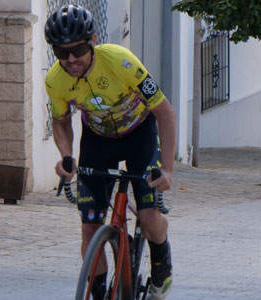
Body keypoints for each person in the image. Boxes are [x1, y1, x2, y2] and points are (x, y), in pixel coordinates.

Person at [44, 4, 176, 300]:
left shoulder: (121, 61)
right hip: (98, 141)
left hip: (140, 135)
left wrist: (167, 169)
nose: (71, 59)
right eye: (61, 52)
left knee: (149, 216)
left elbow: (165, 113)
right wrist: (66, 156)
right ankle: (101, 293)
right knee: (90, 229)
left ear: (92, 40)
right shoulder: (56, 79)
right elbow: (60, 120)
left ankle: (161, 260)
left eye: (77, 49)